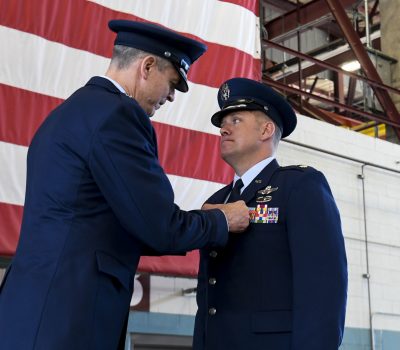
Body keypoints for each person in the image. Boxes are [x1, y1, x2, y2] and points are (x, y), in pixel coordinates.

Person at [0, 20, 249, 350]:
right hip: (68, 319)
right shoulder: (119, 116)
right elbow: (159, 226)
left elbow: (105, 222)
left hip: (30, 312)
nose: (172, 96)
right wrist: (222, 220)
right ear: (147, 66)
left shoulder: (66, 114)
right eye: (172, 82)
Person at [193, 77, 348, 350]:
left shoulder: (299, 186)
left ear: (266, 130)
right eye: (222, 124)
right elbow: (208, 299)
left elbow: (323, 289)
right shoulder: (217, 201)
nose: (223, 130)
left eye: (235, 121)